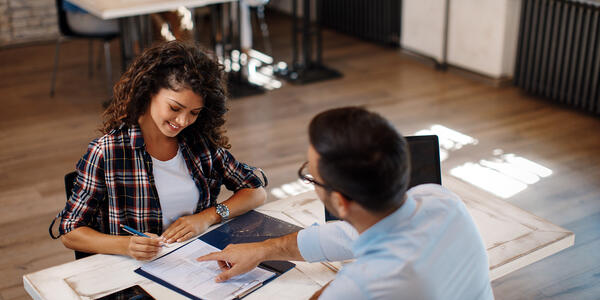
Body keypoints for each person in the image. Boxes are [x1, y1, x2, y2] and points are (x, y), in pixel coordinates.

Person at [197, 107, 494, 300]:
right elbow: (341, 236)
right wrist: (262, 249)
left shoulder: (367, 285)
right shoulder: (440, 200)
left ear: (339, 200)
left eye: (311, 176)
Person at [56, 41, 267, 261]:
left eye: (194, 112)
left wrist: (206, 218)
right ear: (148, 92)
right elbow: (70, 231)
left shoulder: (199, 144)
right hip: (134, 272)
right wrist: (126, 245)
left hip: (197, 264)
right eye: (175, 108)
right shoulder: (107, 153)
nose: (183, 121)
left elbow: (255, 191)